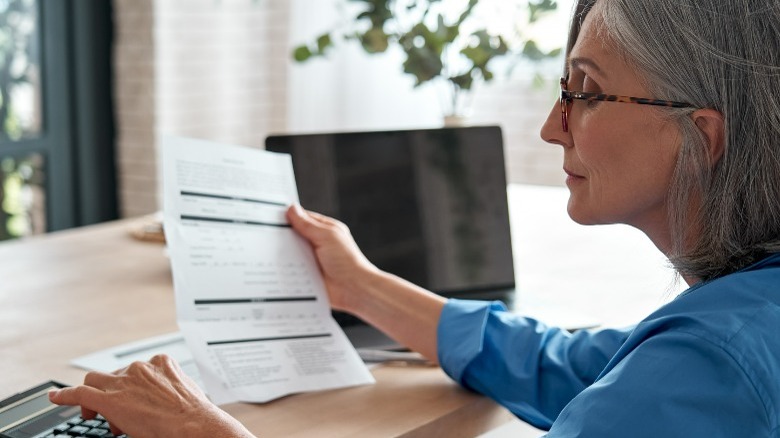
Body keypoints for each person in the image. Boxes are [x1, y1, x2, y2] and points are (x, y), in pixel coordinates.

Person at [49, 0, 780, 435]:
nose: (552, 128)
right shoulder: (731, 325)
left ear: (700, 136)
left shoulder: (708, 369)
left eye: (586, 93)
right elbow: (568, 365)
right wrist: (362, 286)